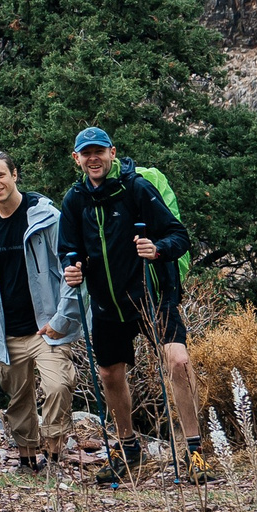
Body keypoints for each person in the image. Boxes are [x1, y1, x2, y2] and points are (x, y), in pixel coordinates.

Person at [59, 127, 205, 484]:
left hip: (152, 295)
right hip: (108, 303)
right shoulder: (75, 199)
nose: (93, 159)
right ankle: (128, 447)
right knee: (110, 374)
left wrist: (157, 250)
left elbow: (179, 235)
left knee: (179, 362)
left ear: (112, 153)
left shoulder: (137, 188)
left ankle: (195, 450)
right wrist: (73, 268)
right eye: (85, 153)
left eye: (99, 152)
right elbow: (68, 248)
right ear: (77, 159)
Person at [0, 150, 84, 476]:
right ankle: (29, 460)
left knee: (59, 386)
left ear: (14, 174)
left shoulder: (46, 217)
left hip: (45, 328)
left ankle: (55, 455)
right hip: (6, 332)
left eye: (0, 175)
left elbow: (68, 272)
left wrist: (62, 319)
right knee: (18, 399)